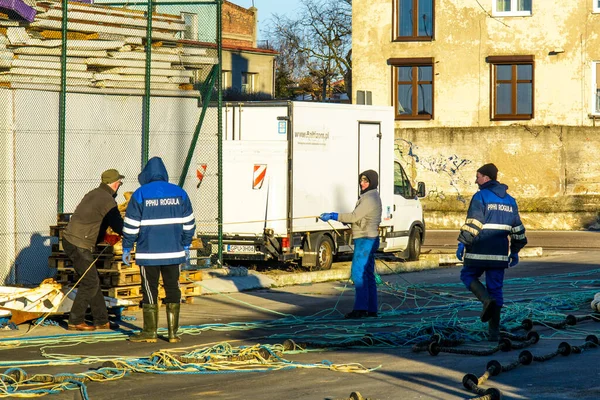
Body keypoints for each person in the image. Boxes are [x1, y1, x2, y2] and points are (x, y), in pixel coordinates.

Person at [122, 157, 195, 343]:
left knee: (149, 289)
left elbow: (131, 226)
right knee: (173, 288)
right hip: (174, 252)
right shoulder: (180, 193)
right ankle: (172, 333)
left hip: (148, 253)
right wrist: (185, 245)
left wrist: (127, 247)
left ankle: (150, 332)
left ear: (146, 174)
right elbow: (189, 224)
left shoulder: (140, 194)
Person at [456, 163, 527, 341]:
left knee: (467, 276)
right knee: (497, 289)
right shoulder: (510, 201)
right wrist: (515, 251)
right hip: (500, 254)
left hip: (478, 251)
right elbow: (517, 229)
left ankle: (486, 300)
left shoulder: (481, 197)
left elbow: (474, 223)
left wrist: (462, 243)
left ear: (486, 178)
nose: (476, 180)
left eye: (478, 176)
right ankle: (493, 333)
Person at [62, 169, 124, 331]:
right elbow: (118, 225)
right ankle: (75, 320)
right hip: (79, 243)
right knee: (90, 282)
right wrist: (130, 234)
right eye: (120, 183)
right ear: (116, 184)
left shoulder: (94, 193)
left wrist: (105, 237)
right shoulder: (108, 201)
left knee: (92, 279)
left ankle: (102, 320)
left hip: (72, 240)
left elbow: (94, 219)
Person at [320, 170, 382, 319]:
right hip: (369, 239)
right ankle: (371, 309)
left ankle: (360, 309)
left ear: (372, 182)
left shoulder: (370, 198)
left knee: (358, 273)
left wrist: (334, 215)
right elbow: (360, 218)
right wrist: (346, 220)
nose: (362, 183)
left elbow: (354, 216)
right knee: (367, 274)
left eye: (366, 181)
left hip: (365, 240)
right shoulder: (370, 196)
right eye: (361, 180)